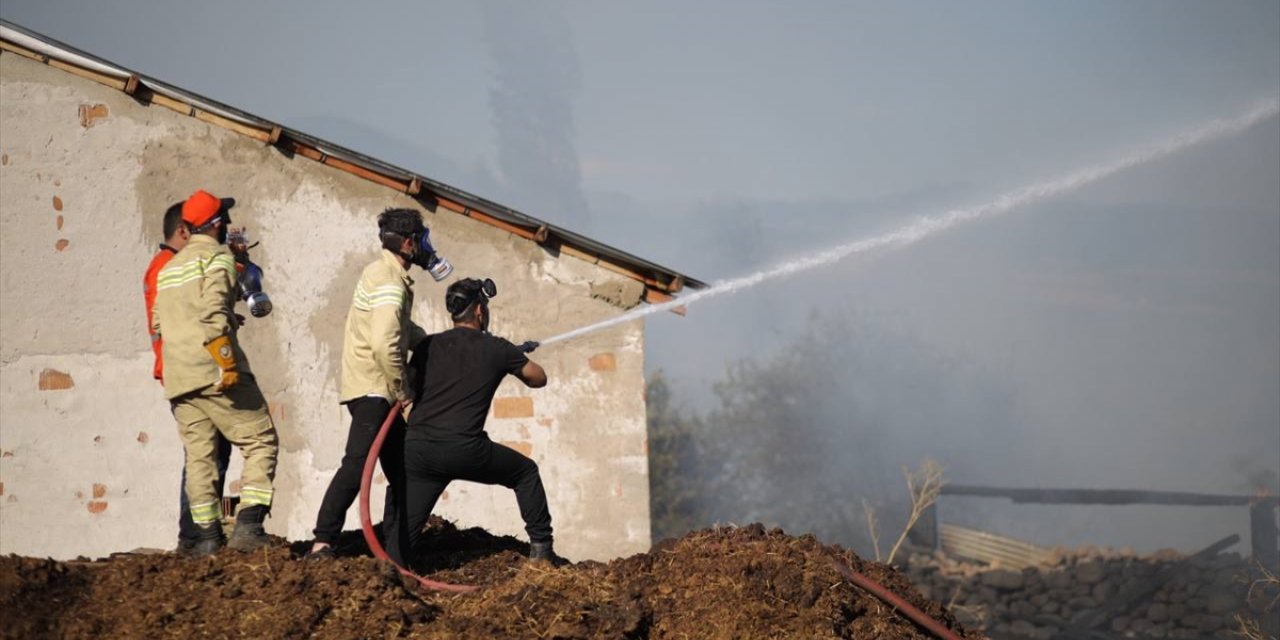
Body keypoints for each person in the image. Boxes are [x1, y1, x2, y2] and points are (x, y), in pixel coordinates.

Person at [307, 207, 452, 559]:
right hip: (376, 389)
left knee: (403, 472)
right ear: (407, 243)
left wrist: (435, 344)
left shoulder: (385, 275)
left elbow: (400, 329)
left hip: (376, 387)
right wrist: (403, 393)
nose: (425, 248)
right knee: (358, 464)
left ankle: (395, 551)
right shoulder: (389, 281)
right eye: (421, 240)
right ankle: (322, 542)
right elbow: (384, 344)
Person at [389, 277, 564, 566]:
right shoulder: (498, 348)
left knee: (403, 540)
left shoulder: (428, 346)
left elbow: (409, 385)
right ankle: (542, 551)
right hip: (464, 449)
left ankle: (393, 568)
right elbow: (538, 378)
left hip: (419, 450)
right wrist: (510, 357)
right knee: (525, 473)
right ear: (480, 311)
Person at [151, 189, 279, 555]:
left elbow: (162, 321)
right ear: (218, 225)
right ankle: (249, 529)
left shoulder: (170, 267)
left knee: (199, 457)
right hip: (213, 371)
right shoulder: (218, 258)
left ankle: (206, 539)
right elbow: (210, 314)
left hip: (180, 378)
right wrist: (225, 362)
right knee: (260, 440)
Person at [143, 201, 232, 554]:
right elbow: (170, 323)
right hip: (192, 371)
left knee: (208, 453)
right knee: (204, 455)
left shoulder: (167, 267)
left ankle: (199, 533)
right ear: (183, 230)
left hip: (186, 368)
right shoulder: (167, 268)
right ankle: (196, 534)